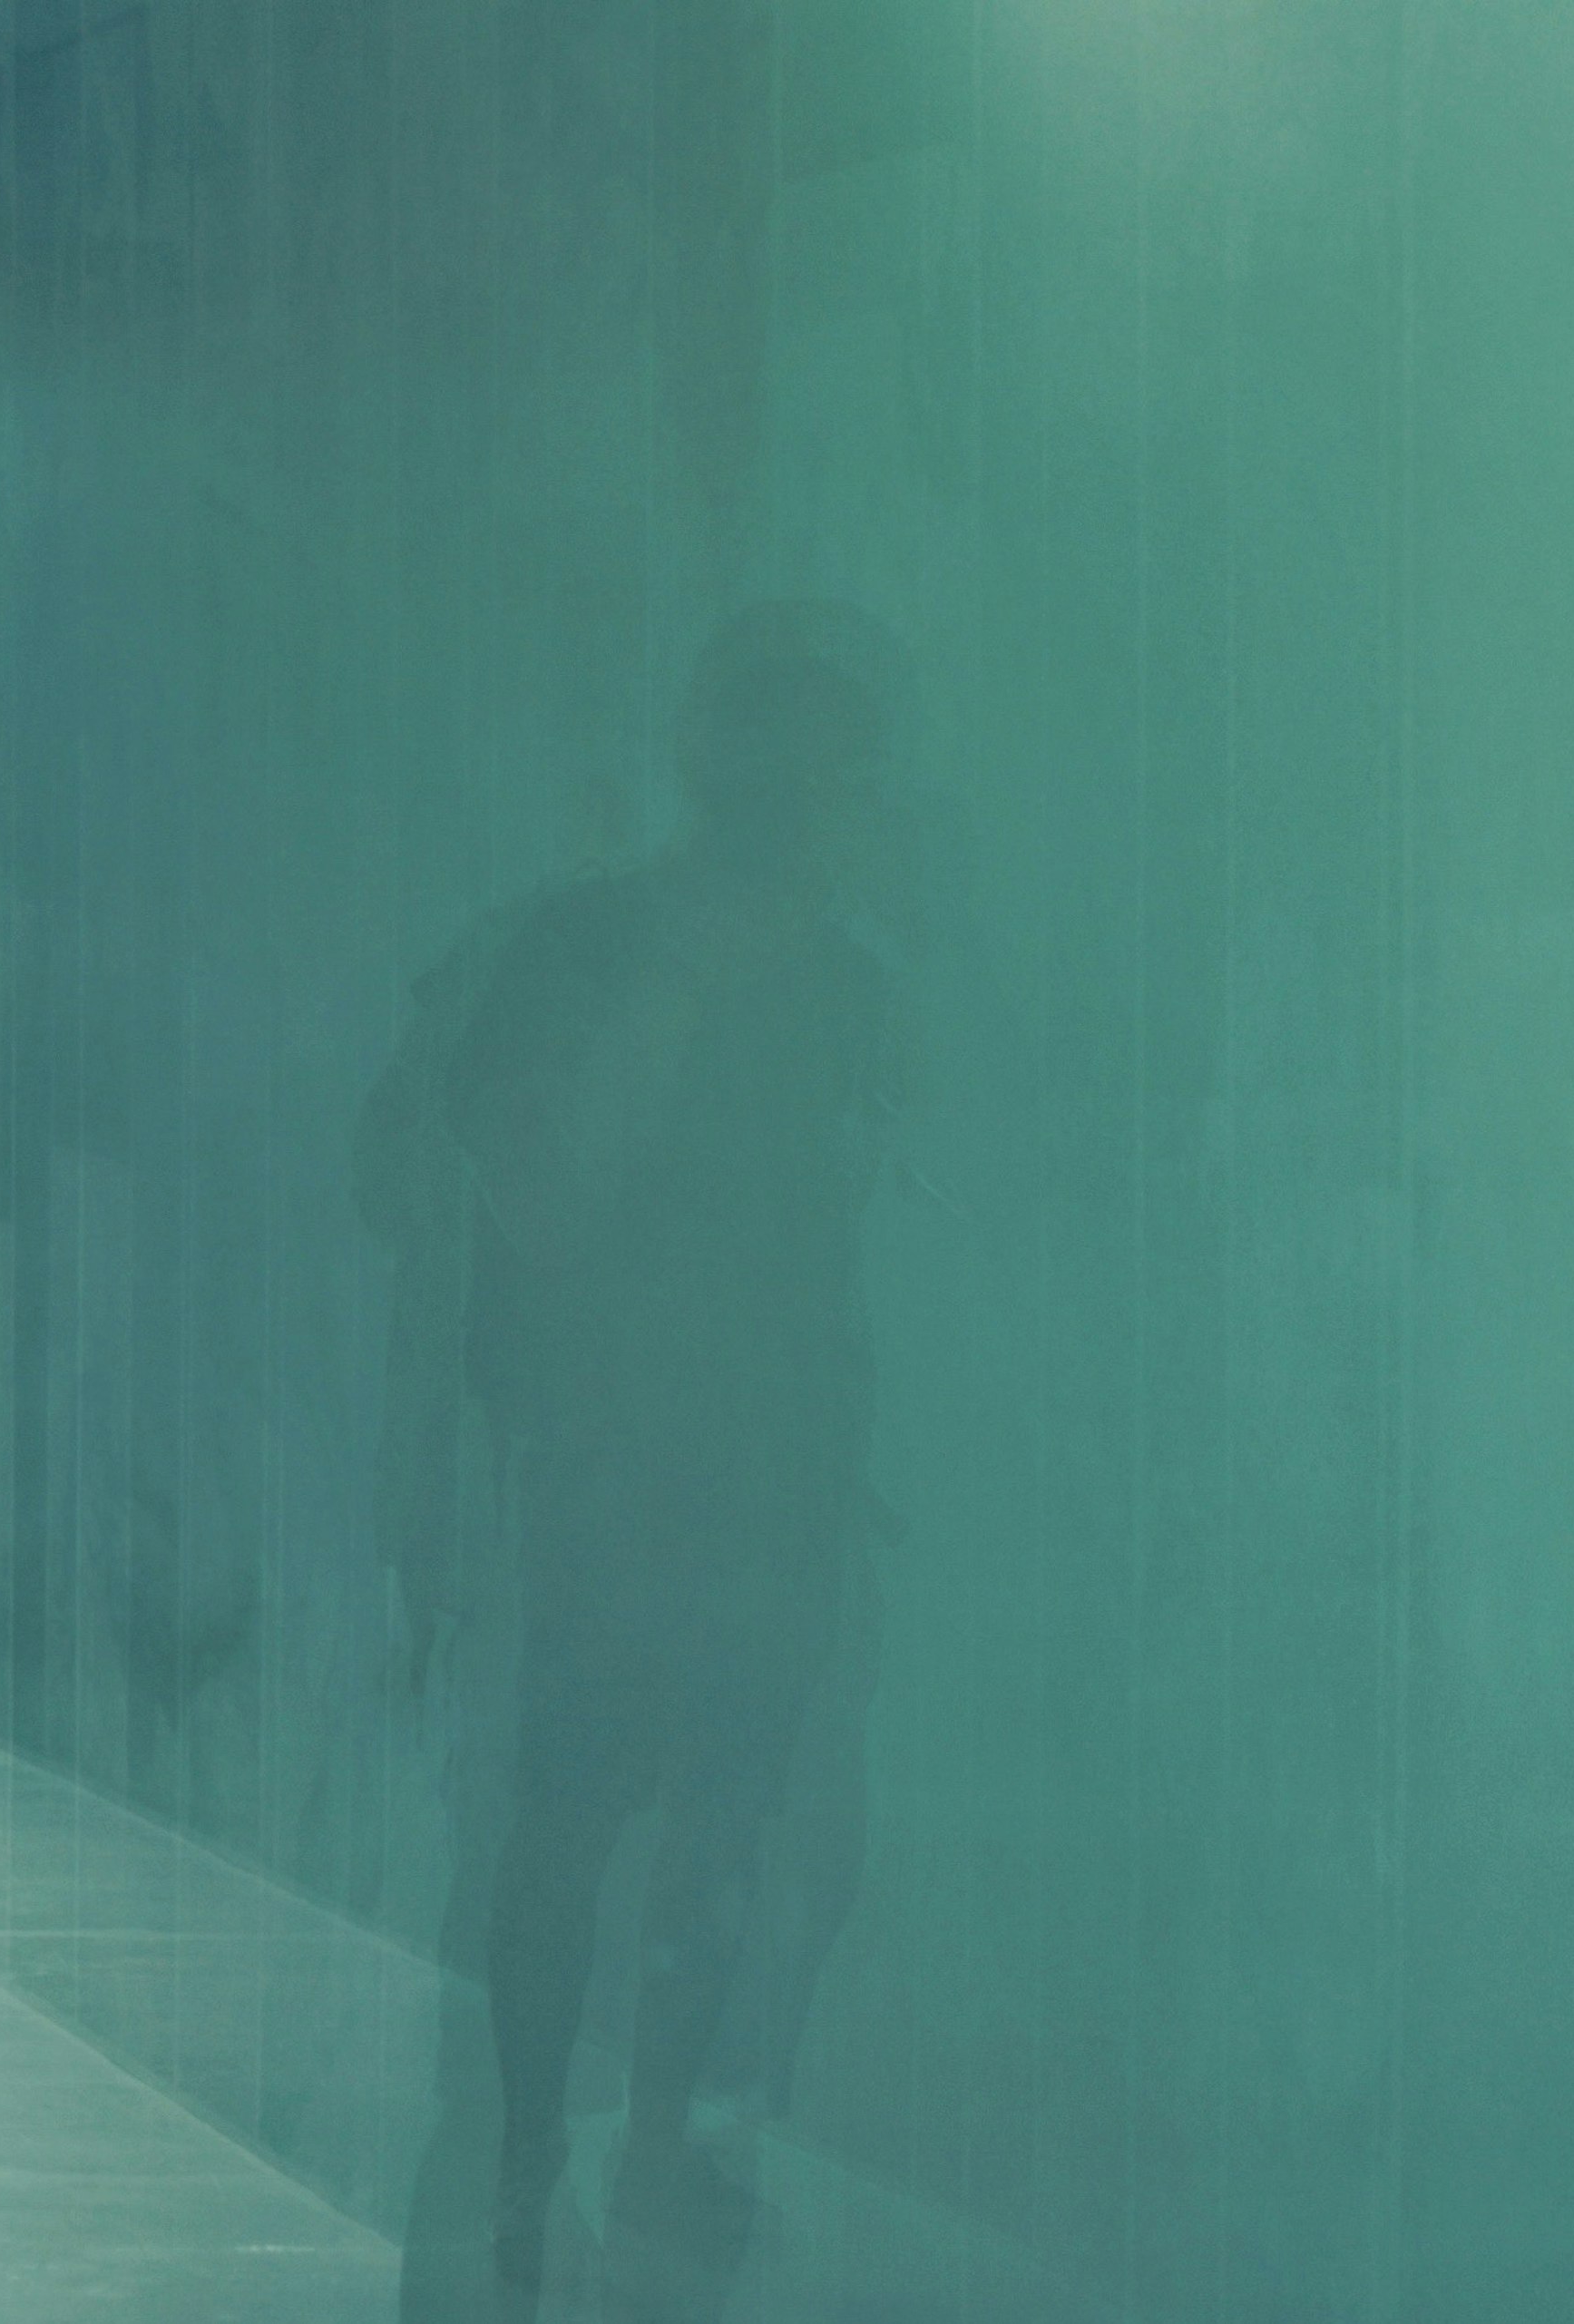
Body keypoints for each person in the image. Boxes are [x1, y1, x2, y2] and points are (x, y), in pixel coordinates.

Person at [453, 601, 908, 2309]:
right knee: (596, 1823)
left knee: (696, 1820)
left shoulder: (836, 988)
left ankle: (613, 2146)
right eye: (850, 784)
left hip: (742, 1480)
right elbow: (530, 1192)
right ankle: (543, 2154)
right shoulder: (607, 958)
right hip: (630, 1473)